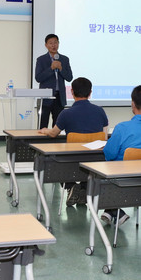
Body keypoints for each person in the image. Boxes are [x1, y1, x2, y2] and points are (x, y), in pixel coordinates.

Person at [102, 85, 141, 225]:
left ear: (132, 104)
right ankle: (112, 211)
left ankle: (114, 210)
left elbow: (109, 154)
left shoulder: (122, 128)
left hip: (123, 185)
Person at [39, 77, 109, 206]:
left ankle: (71, 186)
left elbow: (54, 133)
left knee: (56, 160)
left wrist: (45, 130)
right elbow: (104, 137)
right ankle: (83, 188)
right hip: (95, 163)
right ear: (90, 92)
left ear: (72, 92)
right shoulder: (100, 111)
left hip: (71, 162)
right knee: (89, 159)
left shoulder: (66, 113)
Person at [35, 34, 73, 129]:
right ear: (46, 45)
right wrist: (51, 68)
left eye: (55, 42)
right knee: (43, 124)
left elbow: (69, 77)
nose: (53, 45)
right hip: (46, 97)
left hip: (59, 97)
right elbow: (38, 78)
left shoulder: (64, 59)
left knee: (58, 125)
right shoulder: (41, 60)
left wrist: (60, 68)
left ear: (58, 43)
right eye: (50, 43)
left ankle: (56, 143)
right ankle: (41, 143)